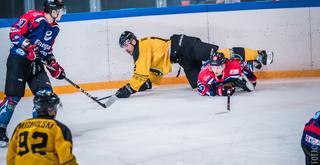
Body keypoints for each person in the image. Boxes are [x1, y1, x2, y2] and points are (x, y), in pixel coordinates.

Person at [114, 31, 273, 98]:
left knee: (219, 55)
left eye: (126, 46)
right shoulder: (143, 52)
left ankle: (258, 54)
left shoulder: (142, 47)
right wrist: (148, 83)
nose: (126, 50)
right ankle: (236, 79)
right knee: (200, 85)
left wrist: (130, 88)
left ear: (133, 41)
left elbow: (140, 73)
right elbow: (154, 71)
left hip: (185, 45)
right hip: (182, 58)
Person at [0, 0, 66, 147]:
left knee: (46, 94)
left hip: (35, 64)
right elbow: (14, 32)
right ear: (53, 11)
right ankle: (0, 129)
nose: (62, 13)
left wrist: (53, 64)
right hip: (19, 60)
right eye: (60, 10)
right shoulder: (33, 16)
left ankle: (41, 130)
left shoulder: (55, 28)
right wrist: (27, 46)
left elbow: (46, 50)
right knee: (13, 98)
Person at [7, 89, 78, 165]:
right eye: (54, 107)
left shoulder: (20, 126)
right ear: (50, 109)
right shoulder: (58, 128)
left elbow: (11, 156)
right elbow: (66, 160)